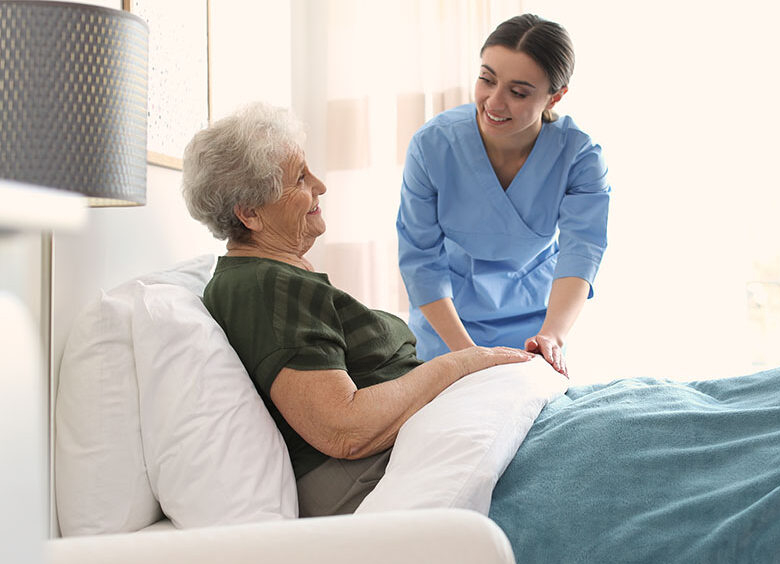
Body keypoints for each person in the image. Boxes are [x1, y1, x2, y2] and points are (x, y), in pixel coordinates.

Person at [182, 102, 535, 516]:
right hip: (370, 473)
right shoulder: (264, 286)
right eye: (299, 177)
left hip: (404, 448)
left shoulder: (270, 276)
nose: (320, 185)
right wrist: (463, 364)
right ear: (250, 214)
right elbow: (343, 429)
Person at [397, 13, 610, 376]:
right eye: (486, 79)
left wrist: (552, 336)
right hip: (447, 323)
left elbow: (581, 253)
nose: (493, 103)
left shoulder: (579, 157)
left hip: (536, 323)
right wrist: (468, 356)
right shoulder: (433, 146)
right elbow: (420, 261)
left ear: (554, 97)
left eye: (518, 92)